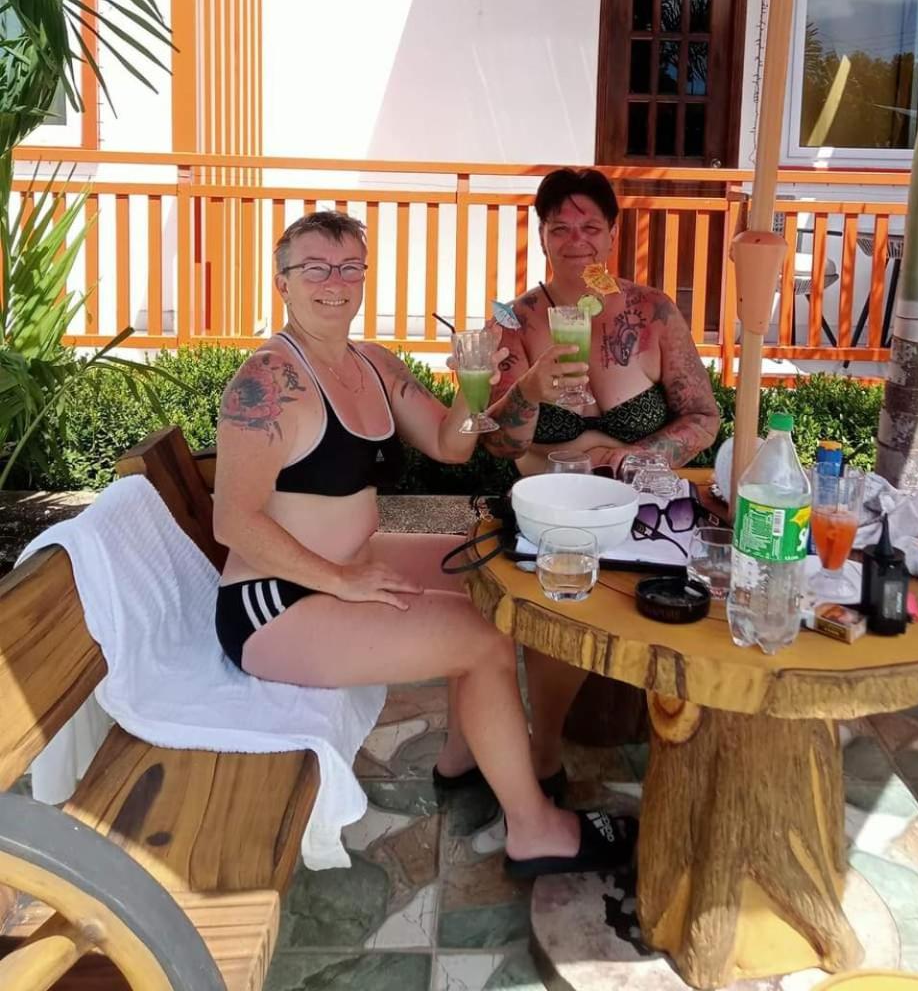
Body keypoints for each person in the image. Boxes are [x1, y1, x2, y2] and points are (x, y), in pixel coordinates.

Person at [212, 209, 635, 878]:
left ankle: (463, 760)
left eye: (349, 267)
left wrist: (488, 386)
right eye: (315, 268)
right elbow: (233, 523)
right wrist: (342, 581)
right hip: (276, 601)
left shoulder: (373, 364)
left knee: (486, 571)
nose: (335, 282)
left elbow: (450, 443)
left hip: (350, 563)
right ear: (282, 282)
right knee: (482, 642)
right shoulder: (267, 382)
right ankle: (534, 831)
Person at [485, 168, 720, 784]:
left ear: (613, 233)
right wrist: (529, 392)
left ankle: (667, 735)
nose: (576, 240)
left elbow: (703, 416)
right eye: (559, 228)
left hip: (640, 505)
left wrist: (641, 455)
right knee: (557, 616)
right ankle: (545, 751)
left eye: (590, 226)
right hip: (550, 510)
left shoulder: (653, 312)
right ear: (542, 236)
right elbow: (498, 445)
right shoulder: (514, 322)